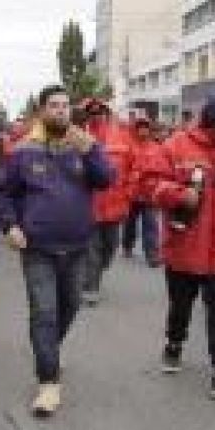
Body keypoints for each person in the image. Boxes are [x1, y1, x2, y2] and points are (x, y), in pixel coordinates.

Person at [0, 85, 113, 417]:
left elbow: (106, 180)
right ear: (41, 110)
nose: (61, 110)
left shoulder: (84, 145)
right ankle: (48, 381)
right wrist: (10, 225)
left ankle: (49, 349)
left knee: (71, 305)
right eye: (54, 105)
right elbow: (5, 193)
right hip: (37, 247)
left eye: (65, 105)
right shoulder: (23, 150)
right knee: (44, 313)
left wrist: (91, 152)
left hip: (77, 245)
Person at [143, 96, 215, 401]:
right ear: (207, 125)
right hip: (185, 247)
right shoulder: (176, 146)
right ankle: (174, 343)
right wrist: (179, 194)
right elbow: (149, 185)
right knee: (181, 306)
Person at [81, 98, 135, 305]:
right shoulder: (79, 136)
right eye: (92, 113)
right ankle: (90, 287)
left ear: (106, 113)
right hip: (89, 206)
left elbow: (134, 169)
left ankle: (95, 272)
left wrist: (128, 194)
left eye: (99, 113)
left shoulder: (122, 136)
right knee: (92, 250)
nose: (96, 116)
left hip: (116, 205)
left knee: (110, 247)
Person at [122, 111, 161, 268]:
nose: (143, 130)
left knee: (151, 224)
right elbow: (124, 169)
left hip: (150, 193)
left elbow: (161, 169)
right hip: (133, 193)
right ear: (136, 129)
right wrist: (127, 186)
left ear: (149, 129)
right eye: (140, 127)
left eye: (145, 127)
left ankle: (152, 255)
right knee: (130, 223)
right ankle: (127, 245)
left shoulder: (157, 148)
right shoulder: (129, 147)